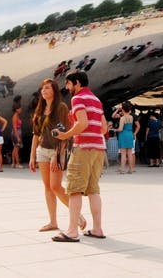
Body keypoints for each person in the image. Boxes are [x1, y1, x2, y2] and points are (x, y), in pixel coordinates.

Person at [52, 71, 108, 242]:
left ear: (76, 83)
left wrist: (65, 135)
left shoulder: (77, 99)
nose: (67, 88)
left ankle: (71, 231)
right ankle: (97, 229)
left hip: (83, 148)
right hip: (98, 148)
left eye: (68, 84)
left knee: (75, 189)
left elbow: (82, 123)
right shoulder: (96, 100)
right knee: (93, 190)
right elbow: (104, 128)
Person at [29, 79, 86, 232]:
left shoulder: (61, 107)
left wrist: (56, 154)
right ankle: (53, 222)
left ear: (54, 90)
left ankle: (77, 215)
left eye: (47, 88)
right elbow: (36, 134)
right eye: (42, 88)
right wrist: (32, 155)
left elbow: (65, 133)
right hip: (42, 151)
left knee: (56, 186)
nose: (44, 90)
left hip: (56, 151)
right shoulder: (40, 109)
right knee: (47, 187)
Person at [112, 102, 138, 174]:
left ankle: (122, 169)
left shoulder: (122, 118)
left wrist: (115, 130)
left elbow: (120, 129)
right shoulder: (131, 117)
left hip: (123, 135)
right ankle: (131, 169)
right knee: (130, 153)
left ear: (122, 110)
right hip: (130, 134)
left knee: (123, 153)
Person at [11, 104, 24, 169]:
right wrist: (17, 136)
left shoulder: (17, 116)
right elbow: (14, 127)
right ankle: (17, 163)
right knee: (16, 149)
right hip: (16, 133)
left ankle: (13, 163)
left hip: (17, 133)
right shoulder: (15, 116)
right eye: (20, 109)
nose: (21, 110)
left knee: (15, 148)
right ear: (17, 109)